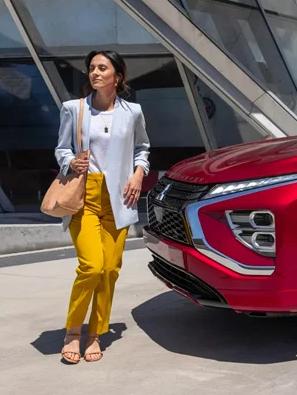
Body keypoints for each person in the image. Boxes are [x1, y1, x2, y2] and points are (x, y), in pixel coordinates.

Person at [54, 50, 150, 363]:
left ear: (117, 76)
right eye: (92, 68)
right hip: (86, 195)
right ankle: (72, 331)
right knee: (91, 266)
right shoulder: (74, 108)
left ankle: (95, 333)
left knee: (109, 271)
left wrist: (138, 174)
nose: (95, 73)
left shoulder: (132, 112)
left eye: (102, 68)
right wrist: (71, 160)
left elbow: (142, 149)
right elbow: (61, 149)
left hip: (120, 197)